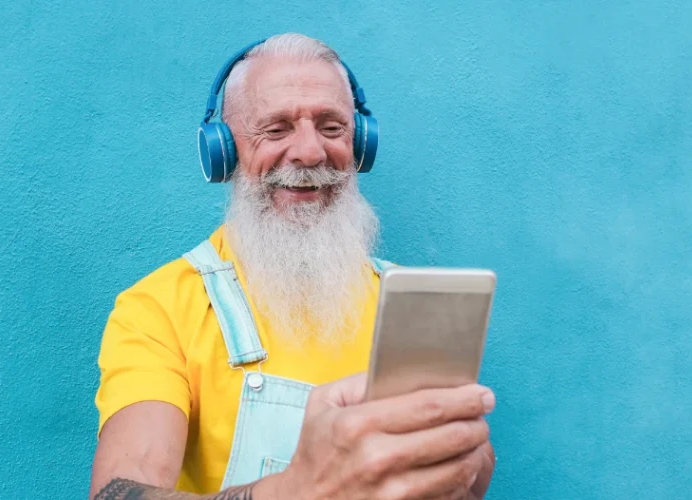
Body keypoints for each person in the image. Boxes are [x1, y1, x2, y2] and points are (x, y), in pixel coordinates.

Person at [88, 33, 497, 500]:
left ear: (360, 144)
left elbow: (466, 482)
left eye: (330, 127)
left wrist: (466, 456)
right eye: (276, 129)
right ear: (225, 150)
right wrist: (296, 490)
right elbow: (117, 493)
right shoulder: (158, 308)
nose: (309, 152)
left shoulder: (413, 303)